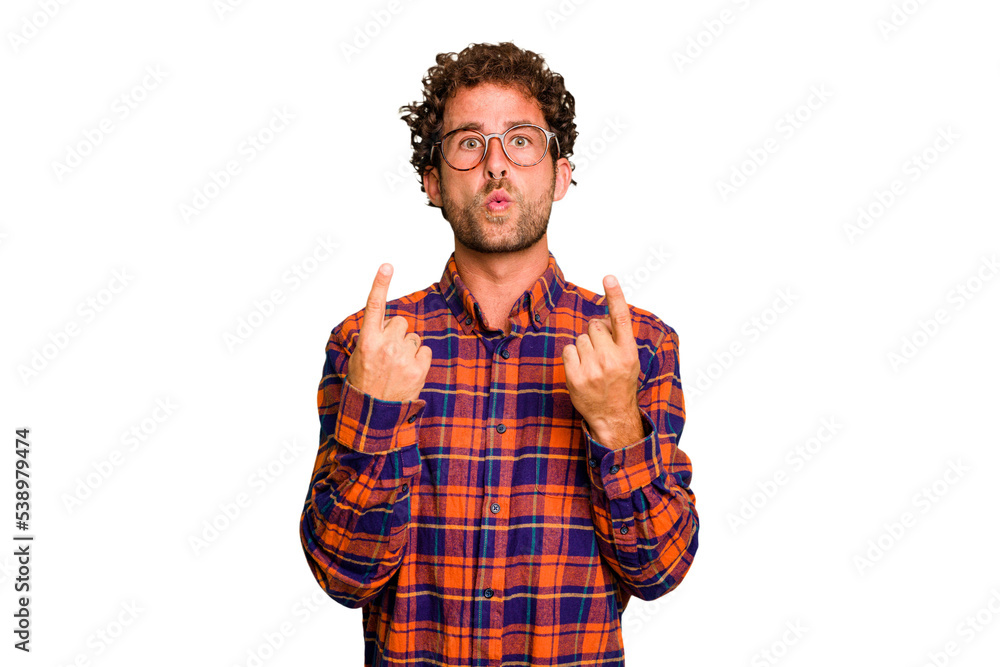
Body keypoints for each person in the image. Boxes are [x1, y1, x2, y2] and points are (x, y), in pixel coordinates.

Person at [299, 41, 699, 667]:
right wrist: (375, 413)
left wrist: (618, 425)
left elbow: (660, 571)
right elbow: (343, 574)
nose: (495, 166)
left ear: (560, 174)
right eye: (467, 143)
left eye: (520, 140)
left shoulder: (636, 347)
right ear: (431, 181)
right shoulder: (368, 345)